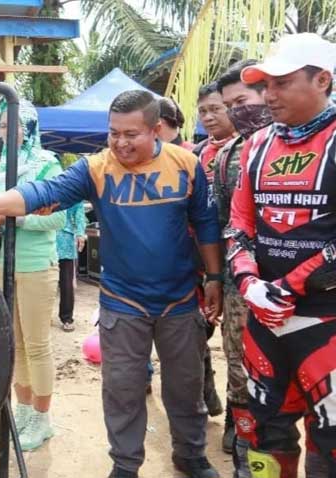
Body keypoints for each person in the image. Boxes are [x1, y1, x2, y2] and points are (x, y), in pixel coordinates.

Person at [0, 90, 223, 478]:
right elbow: (42, 193)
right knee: (122, 390)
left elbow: (208, 224)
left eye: (131, 134)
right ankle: (125, 465)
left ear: (156, 129)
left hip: (178, 300)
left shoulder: (187, 164)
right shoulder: (95, 168)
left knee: (185, 386)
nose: (120, 142)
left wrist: (213, 276)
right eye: (114, 133)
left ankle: (191, 455)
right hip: (122, 301)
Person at [226, 33, 336, 477]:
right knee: (261, 432)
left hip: (326, 321)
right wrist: (249, 283)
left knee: (329, 440)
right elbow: (239, 224)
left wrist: (289, 286)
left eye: (282, 83)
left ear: (323, 80)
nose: (268, 95)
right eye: (265, 84)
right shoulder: (256, 145)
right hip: (264, 322)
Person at [0, 98, 66, 451]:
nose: (4, 132)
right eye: (1, 125)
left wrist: (13, 219)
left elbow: (57, 219)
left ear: (28, 126)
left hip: (36, 266)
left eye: (11, 125)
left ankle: (42, 418)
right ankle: (23, 409)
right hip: (4, 264)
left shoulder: (47, 165)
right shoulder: (1, 167)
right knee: (13, 345)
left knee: (37, 345)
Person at [212, 59, 273, 477]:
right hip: (239, 285)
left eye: (243, 100)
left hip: (303, 286)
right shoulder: (228, 155)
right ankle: (246, 458)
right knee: (239, 366)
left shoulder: (318, 143)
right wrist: (213, 277)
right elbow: (219, 223)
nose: (239, 111)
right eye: (230, 104)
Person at [195, 82, 233, 423]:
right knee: (197, 333)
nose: (208, 117)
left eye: (215, 109)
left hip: (239, 265)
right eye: (203, 111)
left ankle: (238, 423)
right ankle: (207, 397)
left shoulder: (250, 150)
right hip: (201, 265)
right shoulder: (195, 156)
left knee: (238, 346)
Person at [56, 201, 87, 332]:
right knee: (65, 281)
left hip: (62, 240)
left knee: (65, 282)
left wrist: (80, 233)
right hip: (54, 239)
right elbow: (79, 212)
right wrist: (80, 233)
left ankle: (67, 317)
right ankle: (66, 318)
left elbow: (79, 210)